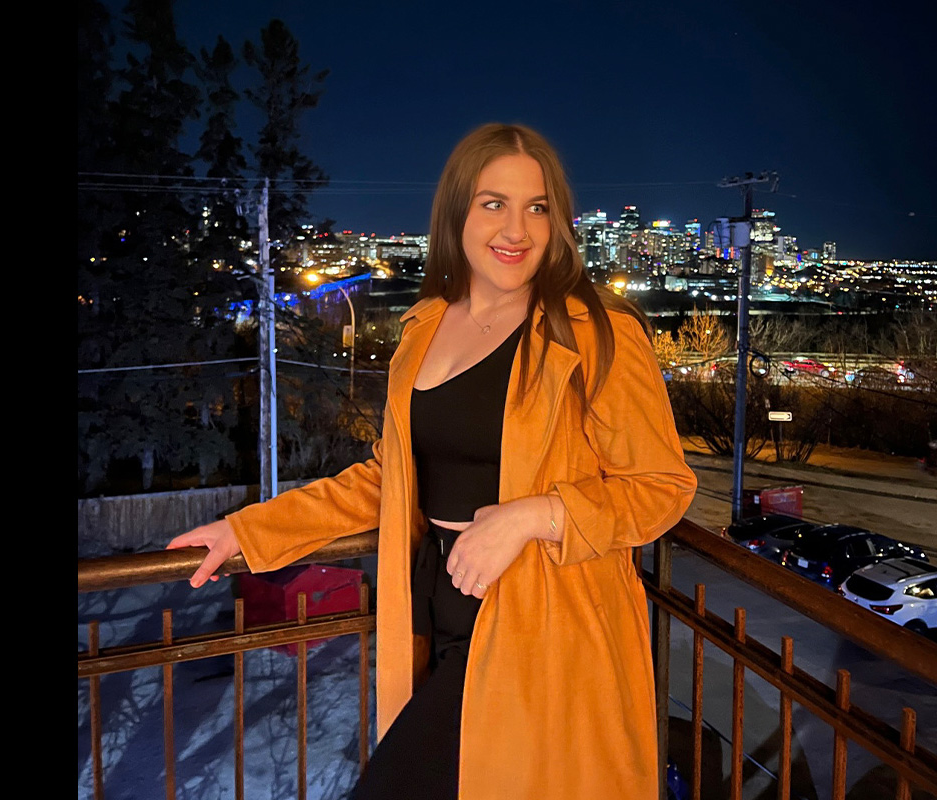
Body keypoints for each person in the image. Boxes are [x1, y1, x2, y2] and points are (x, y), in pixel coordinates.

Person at [167, 122, 697, 799]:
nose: (518, 228)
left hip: (545, 620)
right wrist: (246, 532)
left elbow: (661, 487)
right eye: (493, 203)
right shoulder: (424, 329)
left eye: (537, 206)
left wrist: (533, 516)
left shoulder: (595, 330)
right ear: (456, 213)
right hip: (437, 606)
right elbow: (390, 481)